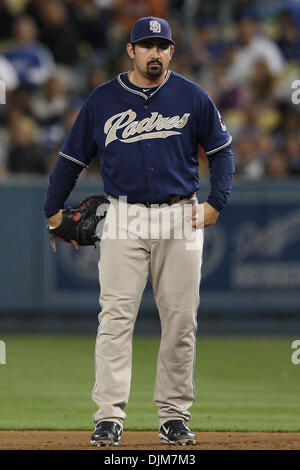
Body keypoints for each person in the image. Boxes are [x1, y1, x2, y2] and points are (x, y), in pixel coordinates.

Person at [44, 16, 235, 446]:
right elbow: (71, 160)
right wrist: (52, 210)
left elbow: (223, 153)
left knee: (181, 322)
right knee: (114, 319)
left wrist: (215, 201)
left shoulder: (193, 96)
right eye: (146, 45)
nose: (155, 52)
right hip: (123, 216)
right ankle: (109, 417)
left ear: (171, 51)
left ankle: (173, 417)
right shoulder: (103, 100)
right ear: (130, 50)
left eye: (162, 46)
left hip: (180, 215)